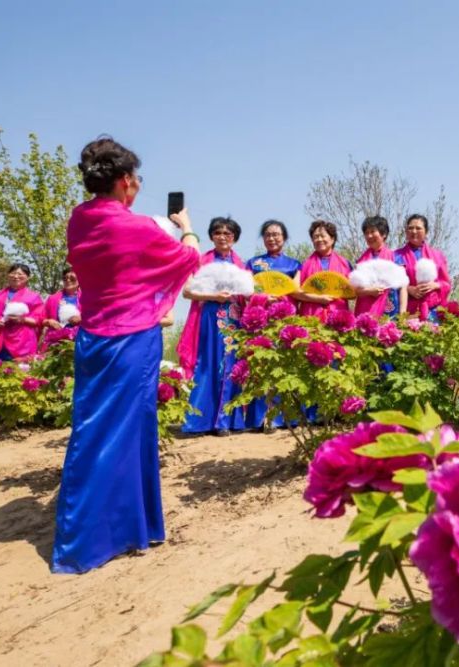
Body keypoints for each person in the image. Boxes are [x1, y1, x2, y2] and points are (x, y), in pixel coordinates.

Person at [53, 136, 200, 574]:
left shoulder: (80, 220)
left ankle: (130, 526)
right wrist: (187, 224)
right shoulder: (133, 227)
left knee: (94, 429)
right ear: (122, 181)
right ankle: (95, 539)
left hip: (93, 339)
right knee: (124, 432)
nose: (136, 185)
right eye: (134, 178)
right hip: (131, 339)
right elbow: (186, 258)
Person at [178, 217, 251, 436]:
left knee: (232, 366)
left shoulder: (242, 264)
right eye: (218, 233)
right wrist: (213, 296)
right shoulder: (201, 261)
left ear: (234, 238)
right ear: (211, 236)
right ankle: (201, 421)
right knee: (208, 364)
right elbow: (187, 292)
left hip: (234, 320)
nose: (222, 237)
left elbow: (248, 293)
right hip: (209, 318)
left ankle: (228, 421)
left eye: (228, 233)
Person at [244, 219, 301, 430]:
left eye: (276, 234)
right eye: (268, 234)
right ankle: (260, 418)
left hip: (285, 319)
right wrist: (263, 298)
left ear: (284, 238)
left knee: (286, 364)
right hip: (260, 318)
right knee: (261, 365)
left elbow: (297, 291)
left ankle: (287, 417)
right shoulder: (253, 264)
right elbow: (248, 289)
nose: (272, 238)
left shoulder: (295, 265)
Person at [0, 263, 44, 361]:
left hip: (22, 342)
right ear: (8, 275)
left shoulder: (34, 297)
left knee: (21, 373)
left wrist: (22, 319)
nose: (16, 276)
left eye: (20, 274)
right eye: (13, 273)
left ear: (28, 277)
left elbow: (39, 320)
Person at [292, 220, 353, 319]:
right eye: (315, 237)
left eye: (322, 236)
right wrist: (318, 298)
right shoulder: (304, 265)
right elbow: (294, 291)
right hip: (311, 318)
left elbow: (353, 293)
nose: (319, 239)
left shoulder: (345, 264)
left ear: (332, 239)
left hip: (338, 316)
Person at [395, 214, 451, 321]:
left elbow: (446, 284)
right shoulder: (396, 256)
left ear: (426, 232)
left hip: (433, 311)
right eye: (410, 228)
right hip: (407, 311)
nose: (414, 231)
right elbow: (390, 284)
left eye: (418, 228)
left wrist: (435, 285)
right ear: (406, 232)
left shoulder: (438, 256)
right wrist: (408, 289)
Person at [353, 215, 408, 318]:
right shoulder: (360, 262)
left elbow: (403, 288)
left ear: (384, 234)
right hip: (365, 312)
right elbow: (355, 290)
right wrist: (369, 291)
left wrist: (403, 313)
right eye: (366, 233)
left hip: (390, 312)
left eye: (373, 231)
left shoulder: (396, 258)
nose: (369, 236)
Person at [40, 266, 81, 350]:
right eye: (65, 278)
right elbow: (41, 318)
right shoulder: (52, 298)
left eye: (72, 278)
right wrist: (49, 321)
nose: (68, 280)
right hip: (55, 341)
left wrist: (82, 318)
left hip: (79, 341)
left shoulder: (87, 298)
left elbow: (97, 317)